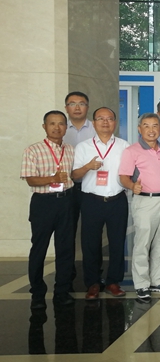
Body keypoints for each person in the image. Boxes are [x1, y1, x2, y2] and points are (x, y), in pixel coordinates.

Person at [119, 113, 160, 302]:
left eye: (155, 126)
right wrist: (132, 186)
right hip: (145, 201)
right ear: (139, 129)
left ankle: (156, 280)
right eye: (146, 125)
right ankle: (142, 284)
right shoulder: (131, 151)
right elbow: (123, 177)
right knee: (143, 243)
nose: (151, 130)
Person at [71, 107, 130, 299]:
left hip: (117, 200)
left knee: (117, 242)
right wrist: (88, 167)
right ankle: (93, 283)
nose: (105, 122)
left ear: (115, 122)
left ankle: (113, 281)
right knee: (90, 243)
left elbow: (130, 172)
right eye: (101, 118)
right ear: (94, 123)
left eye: (109, 118)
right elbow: (74, 175)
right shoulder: (83, 147)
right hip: (91, 200)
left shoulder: (124, 146)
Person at [21, 110, 76, 309]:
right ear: (44, 126)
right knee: (39, 247)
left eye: (61, 123)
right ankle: (37, 293)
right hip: (43, 203)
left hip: (66, 201)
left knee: (65, 248)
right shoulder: (33, 150)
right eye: (52, 123)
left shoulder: (70, 149)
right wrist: (53, 178)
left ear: (66, 127)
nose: (56, 127)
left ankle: (62, 291)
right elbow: (30, 179)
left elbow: (74, 174)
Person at [63, 91, 96, 286]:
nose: (77, 107)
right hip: (67, 187)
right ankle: (67, 273)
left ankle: (94, 274)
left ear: (87, 107)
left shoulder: (96, 128)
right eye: (72, 103)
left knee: (92, 232)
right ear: (66, 107)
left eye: (81, 104)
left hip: (91, 187)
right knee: (68, 231)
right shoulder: (61, 129)